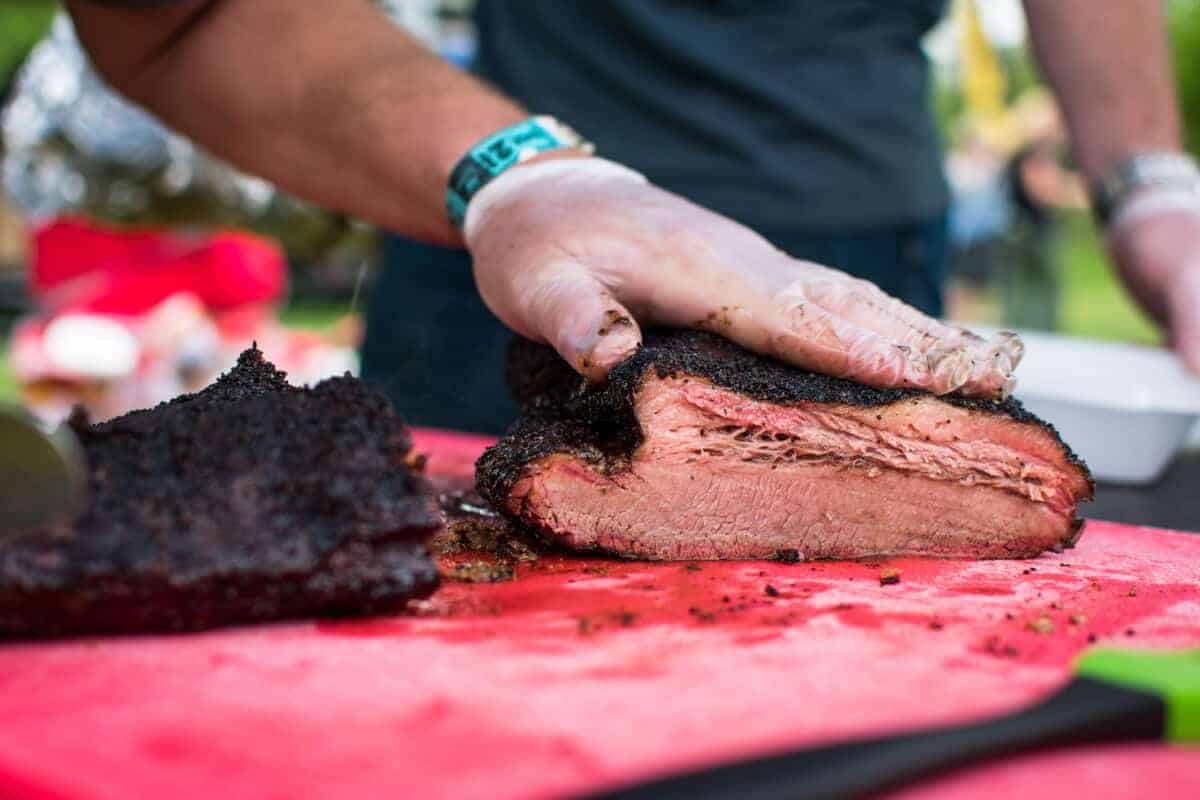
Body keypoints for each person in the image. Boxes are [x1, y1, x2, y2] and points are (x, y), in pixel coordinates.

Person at [65, 1, 1200, 434]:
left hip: (866, 258)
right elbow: (175, 14)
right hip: (507, 274)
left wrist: (1149, 180)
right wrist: (517, 178)